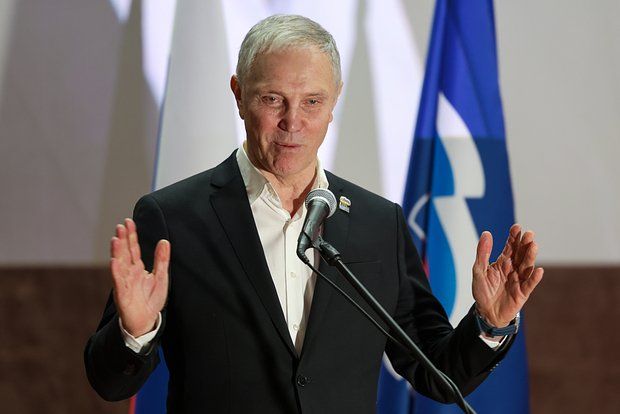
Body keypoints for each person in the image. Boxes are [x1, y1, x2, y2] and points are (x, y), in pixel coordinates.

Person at [84, 14, 543, 413]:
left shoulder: (377, 224)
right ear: (239, 94)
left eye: (311, 102)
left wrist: (490, 324)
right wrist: (134, 332)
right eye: (272, 99)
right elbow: (110, 383)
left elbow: (437, 371)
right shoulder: (174, 218)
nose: (293, 121)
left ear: (334, 101)